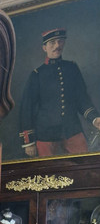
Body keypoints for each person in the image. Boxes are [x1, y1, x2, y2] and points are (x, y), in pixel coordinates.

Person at [19, 28, 100, 158]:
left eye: (60, 41)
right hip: (46, 134)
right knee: (48, 175)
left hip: (72, 129)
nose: (57, 46)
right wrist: (28, 142)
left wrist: (95, 118)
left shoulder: (72, 68)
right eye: (52, 43)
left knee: (85, 168)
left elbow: (82, 99)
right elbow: (26, 109)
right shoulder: (37, 75)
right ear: (44, 47)